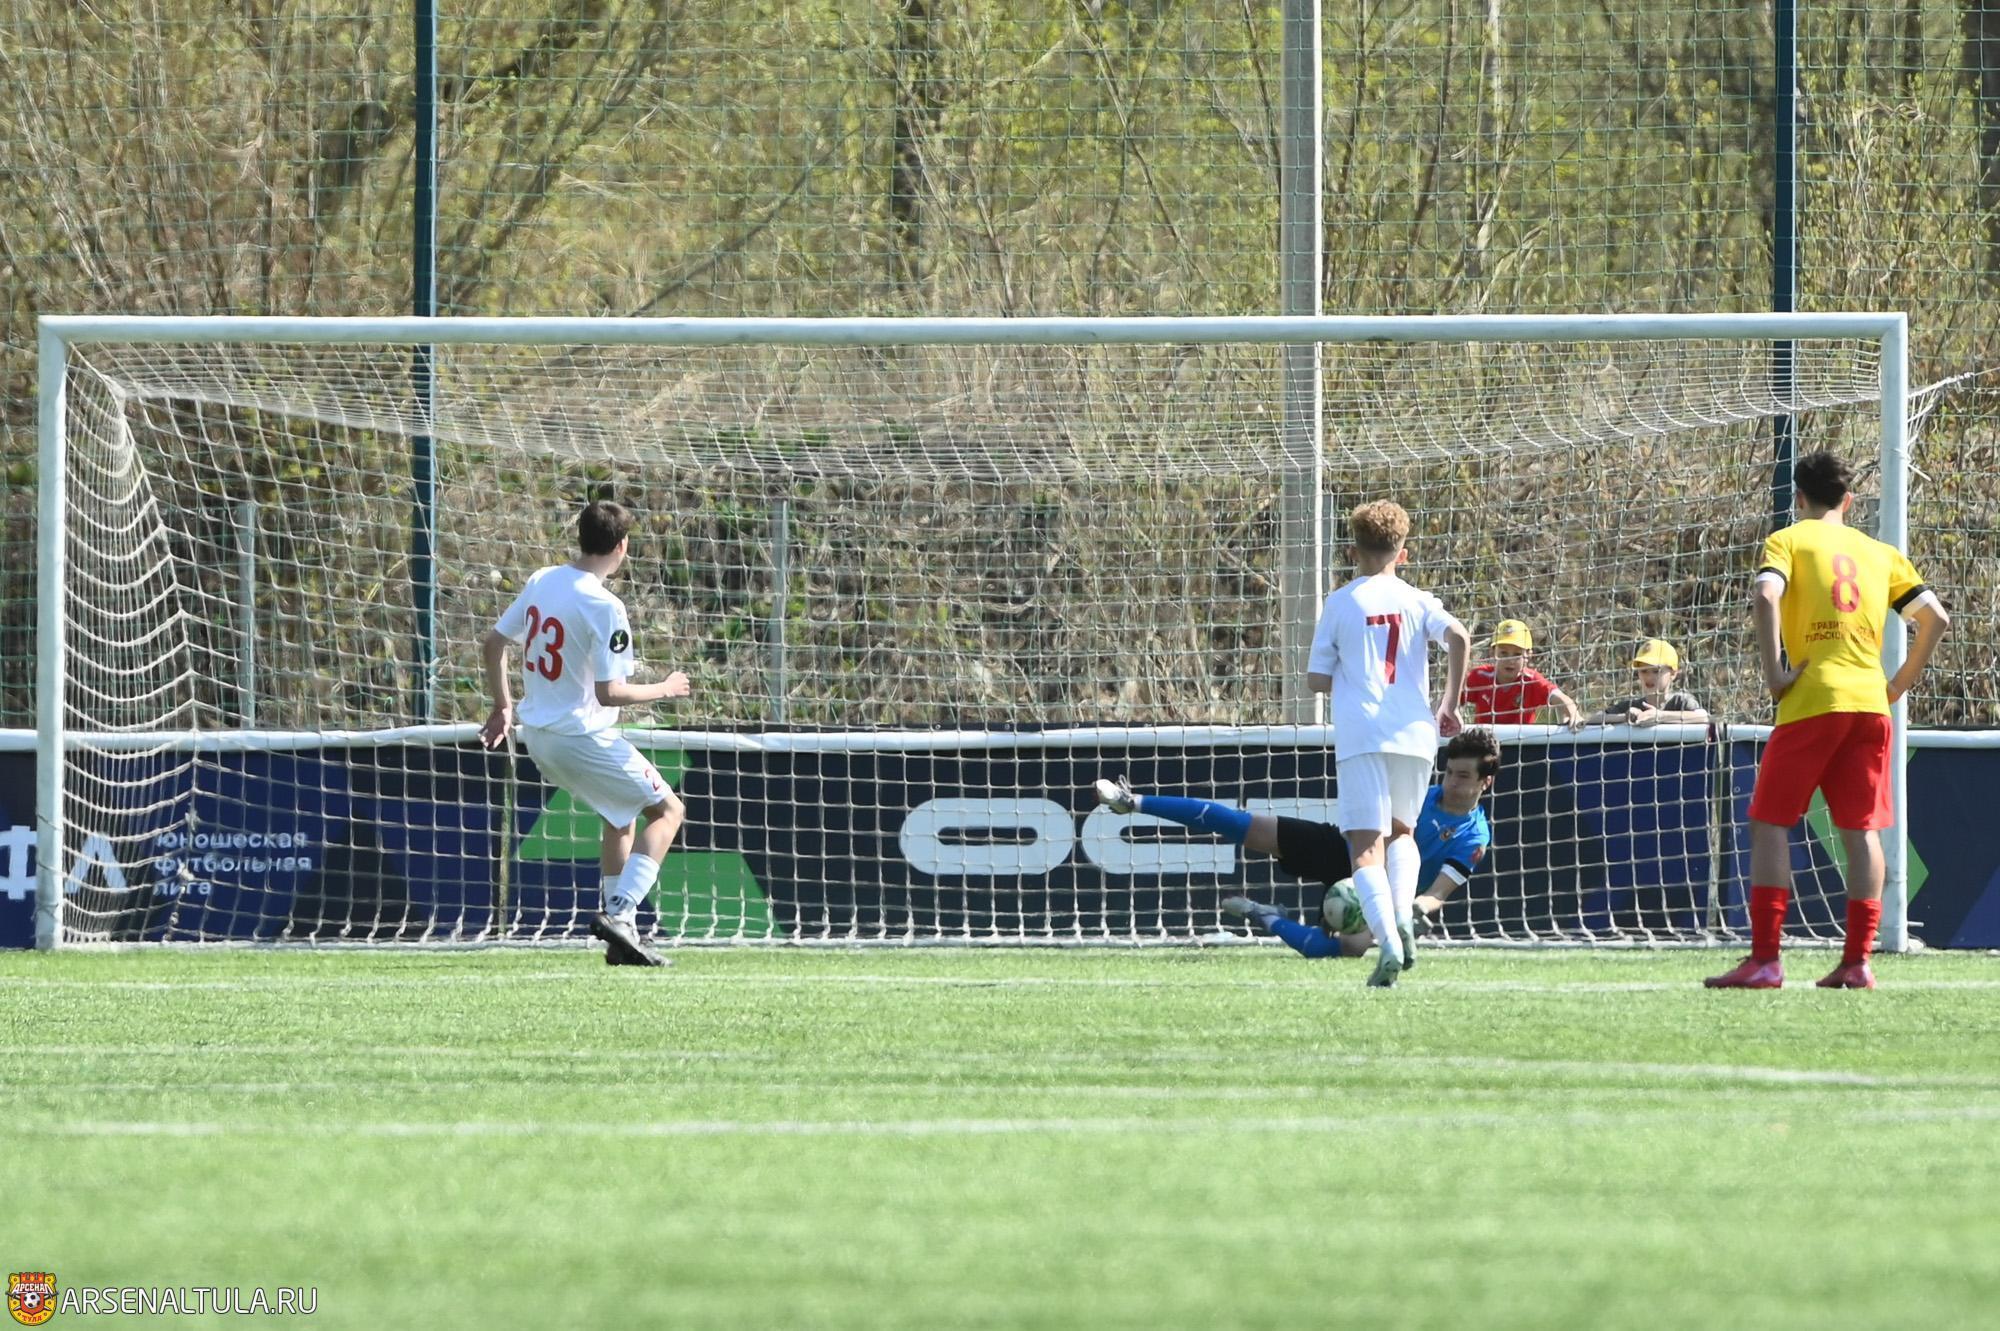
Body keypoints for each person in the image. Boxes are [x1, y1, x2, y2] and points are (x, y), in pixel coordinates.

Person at [1706, 451, 1948, 990]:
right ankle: (1858, 962)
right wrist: (1896, 686)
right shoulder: (1881, 552)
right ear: (1849, 501)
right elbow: (1936, 619)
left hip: (1814, 699)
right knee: (1861, 831)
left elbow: (1765, 594)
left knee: (1771, 822)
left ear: (1799, 498)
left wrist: (1775, 673)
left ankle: (1766, 959)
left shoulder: (1789, 540)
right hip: (1869, 705)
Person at [479, 499, 693, 968]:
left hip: (538, 736)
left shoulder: (543, 580)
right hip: (579, 737)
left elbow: (493, 643)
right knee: (668, 810)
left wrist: (503, 706)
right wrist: (665, 687)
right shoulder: (605, 605)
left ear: (579, 538)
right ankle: (621, 915)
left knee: (620, 817)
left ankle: (622, 940)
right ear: (623, 547)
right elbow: (610, 693)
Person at [1090, 728, 1500, 960]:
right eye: (1449, 772)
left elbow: (1437, 894)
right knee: (1244, 825)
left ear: (1486, 781)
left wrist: (1413, 910)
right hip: (1347, 850)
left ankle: (1264, 915)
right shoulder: (1419, 794)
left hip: (1380, 896)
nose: (1451, 782)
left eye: (1463, 776)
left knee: (1344, 950)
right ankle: (1132, 801)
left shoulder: (1474, 837)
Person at [1304, 499, 1472, 986]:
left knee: (1364, 847)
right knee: (1403, 833)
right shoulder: (1418, 600)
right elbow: (1459, 637)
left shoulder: (1340, 602)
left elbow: (1316, 680)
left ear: (1353, 552)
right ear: (1404, 553)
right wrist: (1449, 704)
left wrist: (1350, 671)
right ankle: (1402, 916)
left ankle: (1389, 942)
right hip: (1415, 731)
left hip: (1363, 731)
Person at [1460, 620, 1586, 731]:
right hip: (1484, 743)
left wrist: (1573, 714)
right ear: (1492, 653)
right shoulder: (1480, 676)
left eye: (1517, 654)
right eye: (1503, 653)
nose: (1510, 660)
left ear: (1528, 655)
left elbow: (1559, 697)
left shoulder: (1531, 680)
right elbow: (1453, 699)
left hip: (1521, 743)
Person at [1589, 639, 1711, 727]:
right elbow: (1592, 719)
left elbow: (1702, 717)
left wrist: (1660, 716)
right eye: (1644, 671)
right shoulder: (1632, 705)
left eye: (1656, 671)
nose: (1649, 677)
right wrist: (1625, 717)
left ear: (1673, 674)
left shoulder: (1681, 701)